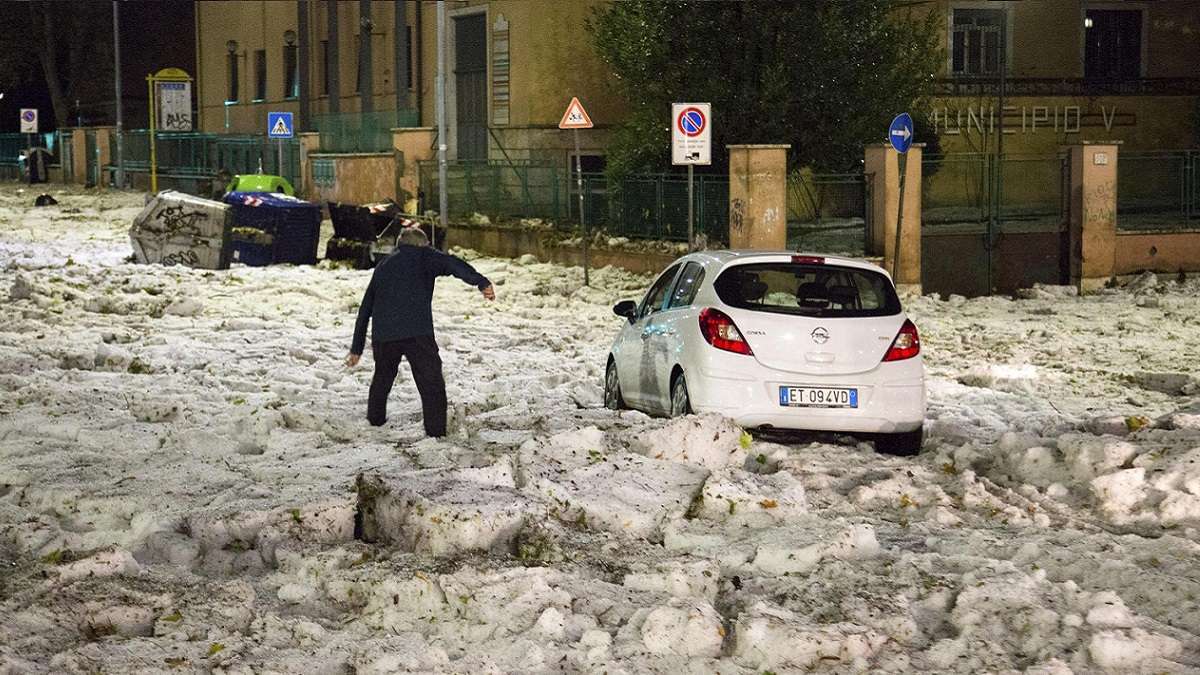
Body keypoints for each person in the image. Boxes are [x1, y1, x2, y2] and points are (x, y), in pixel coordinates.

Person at [345, 226, 495, 436]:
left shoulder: (384, 265)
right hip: (417, 332)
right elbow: (453, 264)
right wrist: (480, 282)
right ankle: (436, 432)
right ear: (424, 244)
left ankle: (375, 422)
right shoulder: (425, 256)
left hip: (385, 334)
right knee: (431, 381)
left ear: (399, 244)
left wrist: (356, 348)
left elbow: (365, 308)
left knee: (382, 378)